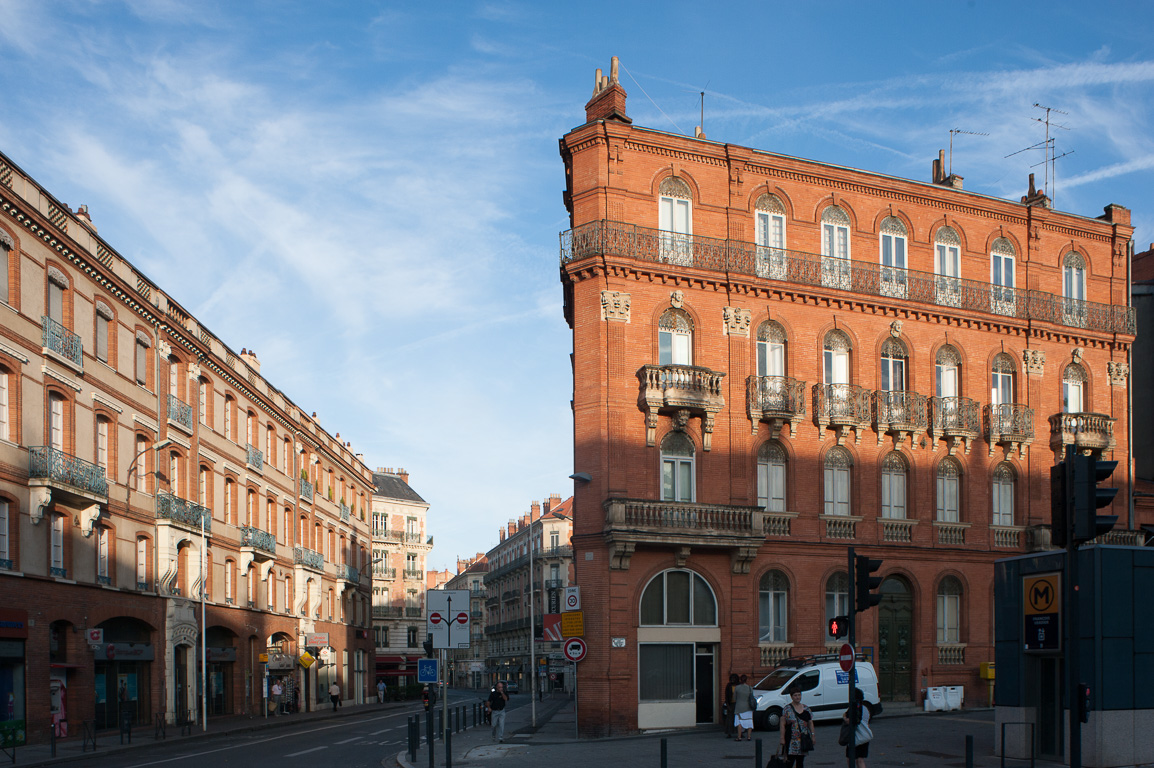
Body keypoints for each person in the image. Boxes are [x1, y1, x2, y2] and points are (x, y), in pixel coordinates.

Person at [779, 684, 815, 767]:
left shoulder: (806, 709)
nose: (797, 697)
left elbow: (810, 723)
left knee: (800, 762)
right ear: (791, 697)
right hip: (791, 740)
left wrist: (813, 735)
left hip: (803, 740)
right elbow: (782, 724)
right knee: (789, 762)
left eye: (799, 695)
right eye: (795, 695)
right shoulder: (787, 709)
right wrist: (782, 738)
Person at [843, 688, 871, 768]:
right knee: (860, 760)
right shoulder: (865, 708)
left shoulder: (854, 708)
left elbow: (850, 721)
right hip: (865, 736)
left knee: (850, 758)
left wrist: (844, 718)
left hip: (855, 736)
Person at [732, 674, 754, 741]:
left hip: (739, 707)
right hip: (748, 707)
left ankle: (739, 737)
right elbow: (752, 697)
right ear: (746, 680)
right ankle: (749, 736)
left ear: (740, 680)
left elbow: (734, 698)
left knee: (739, 722)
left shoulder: (737, 688)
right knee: (749, 721)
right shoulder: (750, 688)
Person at [722, 673, 738, 738]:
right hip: (731, 703)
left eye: (734, 679)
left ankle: (739, 732)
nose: (732, 680)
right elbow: (726, 696)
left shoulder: (738, 685)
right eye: (731, 678)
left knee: (738, 719)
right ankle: (729, 733)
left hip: (738, 704)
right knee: (729, 719)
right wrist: (728, 705)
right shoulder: (728, 686)